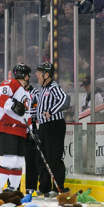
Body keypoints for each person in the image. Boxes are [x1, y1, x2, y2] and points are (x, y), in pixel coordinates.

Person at [0, 64, 33, 196]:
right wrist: (12, 105)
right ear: (25, 76)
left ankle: (13, 189)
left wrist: (30, 131)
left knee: (19, 161)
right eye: (28, 75)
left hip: (21, 130)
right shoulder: (12, 83)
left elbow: (27, 115)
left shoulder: (26, 94)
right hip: (7, 127)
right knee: (10, 159)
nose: (29, 78)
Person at [33, 62, 69, 198]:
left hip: (54, 125)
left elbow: (65, 100)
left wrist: (51, 111)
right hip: (43, 126)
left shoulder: (53, 87)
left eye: (39, 74)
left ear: (47, 75)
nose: (37, 76)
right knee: (41, 157)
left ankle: (58, 187)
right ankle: (44, 187)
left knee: (54, 157)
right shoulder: (42, 89)